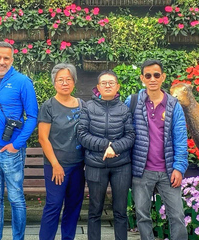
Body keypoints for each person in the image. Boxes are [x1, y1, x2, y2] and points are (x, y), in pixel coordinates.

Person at [0, 41, 38, 240]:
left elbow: (32, 116)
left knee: (16, 199)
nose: (2, 61)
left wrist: (17, 144)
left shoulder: (22, 81)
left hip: (10, 150)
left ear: (12, 60)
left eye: (6, 58)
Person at [125, 59, 189, 240]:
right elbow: (122, 130)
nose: (152, 79)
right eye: (148, 75)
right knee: (142, 216)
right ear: (142, 78)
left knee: (177, 215)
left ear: (163, 77)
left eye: (156, 75)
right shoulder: (132, 101)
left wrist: (179, 167)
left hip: (168, 171)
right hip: (142, 170)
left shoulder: (173, 105)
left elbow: (181, 138)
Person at [77, 70, 135, 240]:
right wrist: (105, 145)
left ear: (117, 86)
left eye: (111, 83)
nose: (108, 85)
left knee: (120, 210)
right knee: (95, 210)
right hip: (95, 165)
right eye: (104, 83)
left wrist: (115, 148)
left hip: (121, 165)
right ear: (98, 87)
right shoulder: (88, 107)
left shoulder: (124, 109)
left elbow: (131, 135)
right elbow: (82, 134)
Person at [38, 63, 85, 240]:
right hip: (56, 166)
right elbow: (43, 138)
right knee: (54, 204)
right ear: (54, 82)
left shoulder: (82, 105)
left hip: (78, 165)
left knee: (73, 206)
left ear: (74, 82)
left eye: (68, 79)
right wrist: (56, 165)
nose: (65, 83)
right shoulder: (48, 106)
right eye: (60, 80)